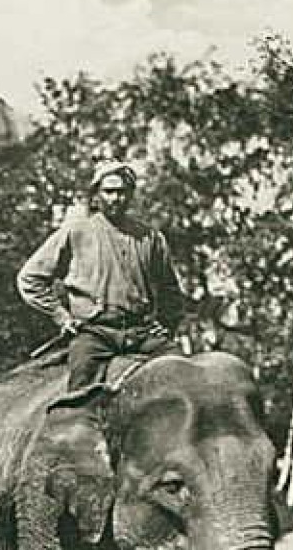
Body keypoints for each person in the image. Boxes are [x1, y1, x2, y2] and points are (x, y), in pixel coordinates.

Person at [17, 160, 186, 390]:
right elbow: (30, 278)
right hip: (96, 333)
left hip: (141, 333)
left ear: (130, 195)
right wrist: (62, 317)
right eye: (109, 192)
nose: (116, 198)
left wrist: (166, 324)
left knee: (183, 373)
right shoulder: (76, 231)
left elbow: (170, 290)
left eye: (122, 192)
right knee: (80, 391)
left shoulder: (150, 237)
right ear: (96, 195)